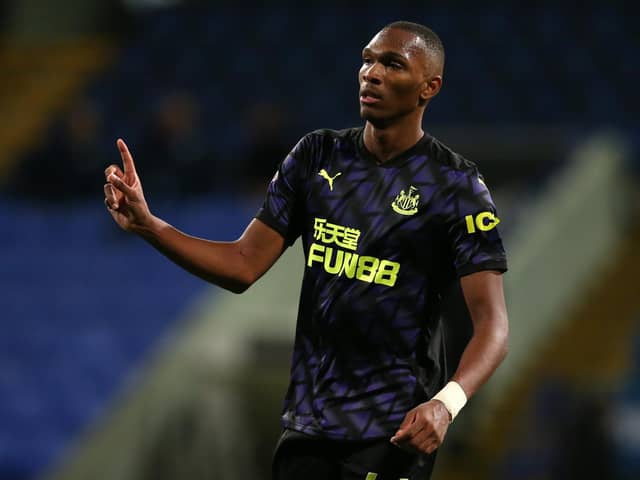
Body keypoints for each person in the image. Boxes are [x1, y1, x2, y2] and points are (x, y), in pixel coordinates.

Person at [103, 21, 509, 480]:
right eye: (368, 59)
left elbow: (493, 325)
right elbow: (242, 265)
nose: (371, 73)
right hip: (307, 428)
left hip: (393, 432)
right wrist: (149, 225)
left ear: (428, 87)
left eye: (392, 64)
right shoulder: (316, 156)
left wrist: (446, 404)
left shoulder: (456, 187)